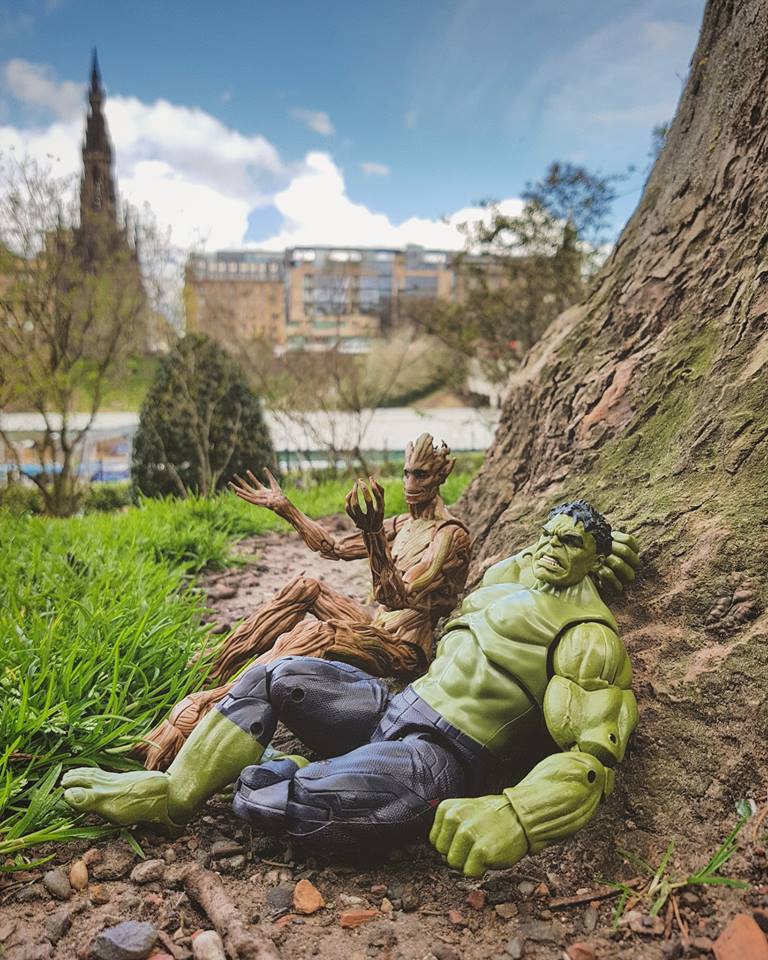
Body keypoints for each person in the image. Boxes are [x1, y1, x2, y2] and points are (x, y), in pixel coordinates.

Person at [64, 500, 640, 877]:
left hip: (442, 757)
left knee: (297, 802)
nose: (549, 549)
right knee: (275, 676)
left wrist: (514, 816)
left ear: (592, 561)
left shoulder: (586, 635)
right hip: (393, 706)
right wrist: (597, 540)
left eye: (569, 545)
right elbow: (533, 562)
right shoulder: (505, 579)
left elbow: (593, 758)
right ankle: (173, 794)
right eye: (548, 535)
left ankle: (273, 774)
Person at [134, 434, 472, 770]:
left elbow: (396, 597)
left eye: (421, 475)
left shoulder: (450, 536)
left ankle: (212, 708)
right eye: (407, 473)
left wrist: (372, 535)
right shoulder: (404, 524)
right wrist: (287, 508)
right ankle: (204, 673)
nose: (410, 483)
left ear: (441, 475)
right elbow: (334, 548)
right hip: (377, 624)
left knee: (319, 633)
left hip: (404, 648)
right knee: (306, 586)